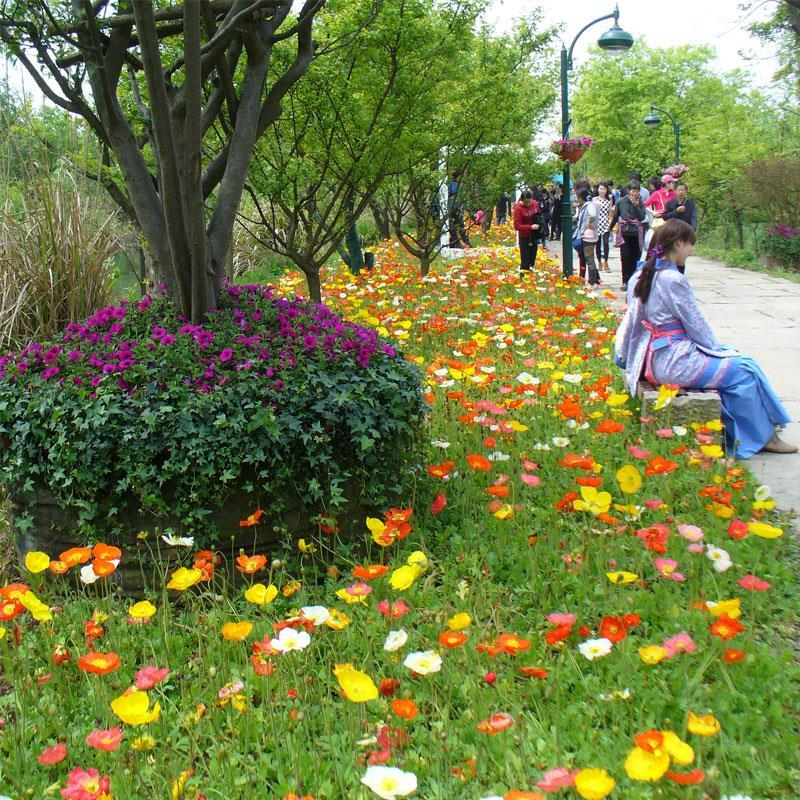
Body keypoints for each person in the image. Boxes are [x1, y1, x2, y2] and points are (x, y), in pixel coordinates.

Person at [615, 219, 796, 457]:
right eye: (690, 245)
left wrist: (624, 357)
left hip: (656, 359)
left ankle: (763, 431)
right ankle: (764, 437)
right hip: (674, 361)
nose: (691, 251)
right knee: (744, 369)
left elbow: (631, 324)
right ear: (679, 243)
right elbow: (696, 325)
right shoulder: (672, 279)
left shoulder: (643, 276)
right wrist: (716, 349)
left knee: (739, 362)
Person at [610, 181, 646, 290]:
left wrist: (636, 206)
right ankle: (625, 281)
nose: (635, 193)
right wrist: (610, 228)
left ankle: (633, 280)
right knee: (625, 257)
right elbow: (616, 216)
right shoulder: (621, 201)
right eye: (633, 191)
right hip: (624, 233)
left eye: (637, 191)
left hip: (636, 233)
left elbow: (641, 217)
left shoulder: (640, 203)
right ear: (629, 191)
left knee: (635, 257)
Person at [513, 189, 544, 276]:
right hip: (524, 237)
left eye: (530, 201)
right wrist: (530, 227)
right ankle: (523, 278)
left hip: (534, 235)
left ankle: (530, 277)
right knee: (525, 260)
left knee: (532, 259)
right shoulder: (518, 209)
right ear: (522, 200)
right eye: (526, 202)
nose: (528, 204)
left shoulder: (535, 204)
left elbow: (539, 214)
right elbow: (516, 226)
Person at [574, 188, 600, 286]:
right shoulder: (585, 206)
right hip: (588, 235)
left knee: (589, 258)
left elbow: (593, 215)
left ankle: (592, 281)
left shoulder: (589, 206)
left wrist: (590, 222)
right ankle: (596, 278)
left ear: (581, 197)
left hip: (588, 235)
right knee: (587, 257)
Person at [592, 181, 614, 273]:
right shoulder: (594, 199)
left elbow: (610, 212)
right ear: (598, 189)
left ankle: (606, 261)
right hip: (597, 222)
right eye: (601, 188)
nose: (603, 191)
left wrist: (611, 222)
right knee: (597, 243)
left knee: (605, 243)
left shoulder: (608, 200)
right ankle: (599, 262)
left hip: (605, 222)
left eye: (604, 189)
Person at [448, 170, 471, 248]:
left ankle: (459, 242)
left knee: (458, 226)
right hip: (454, 208)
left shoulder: (455, 184)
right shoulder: (455, 184)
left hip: (456, 207)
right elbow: (454, 195)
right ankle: (457, 242)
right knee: (458, 225)